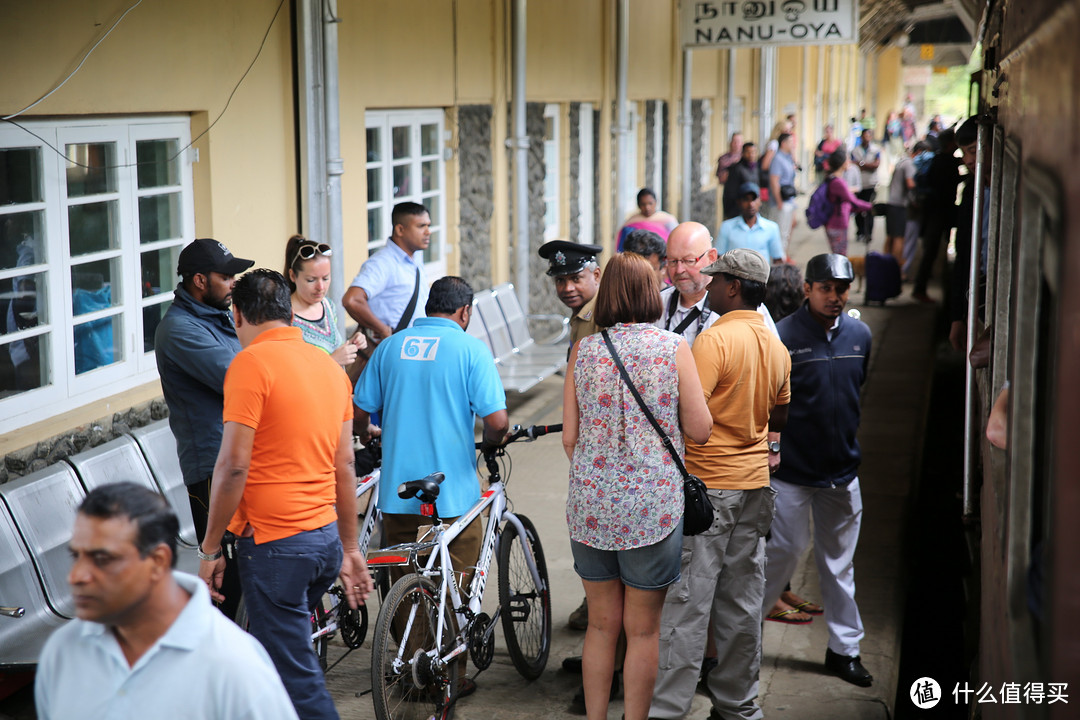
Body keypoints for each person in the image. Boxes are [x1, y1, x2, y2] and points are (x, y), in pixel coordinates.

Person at [198, 269, 371, 720]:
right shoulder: (327, 368)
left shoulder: (250, 364)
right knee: (271, 659)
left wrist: (210, 546)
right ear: (289, 314)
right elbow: (345, 466)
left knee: (295, 677)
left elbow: (233, 465)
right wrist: (350, 547)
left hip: (277, 547)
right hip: (323, 542)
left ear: (238, 315)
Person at [563, 252, 712, 720]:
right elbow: (701, 429)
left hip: (591, 507)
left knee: (601, 626)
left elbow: (570, 438)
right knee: (644, 631)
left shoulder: (584, 351)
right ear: (650, 293)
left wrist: (602, 467)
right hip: (653, 508)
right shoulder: (673, 348)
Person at [649, 248, 791, 720]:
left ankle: (668, 710)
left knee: (688, 603)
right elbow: (780, 414)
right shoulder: (776, 345)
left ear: (734, 286)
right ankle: (739, 706)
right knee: (743, 602)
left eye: (715, 280)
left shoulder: (712, 341)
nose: (706, 287)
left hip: (711, 492)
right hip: (755, 489)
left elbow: (690, 419)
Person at [353, 275, 508, 699]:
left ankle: (411, 664)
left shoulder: (389, 347)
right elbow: (497, 422)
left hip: (398, 492)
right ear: (464, 312)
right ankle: (449, 674)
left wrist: (367, 431)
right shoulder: (470, 350)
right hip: (453, 491)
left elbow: (360, 410)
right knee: (457, 580)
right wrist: (495, 442)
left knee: (401, 572)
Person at [36, 482, 298, 720]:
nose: (77, 576)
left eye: (101, 558)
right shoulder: (62, 652)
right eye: (76, 556)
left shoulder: (234, 664)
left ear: (157, 561)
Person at [762, 254, 874, 688]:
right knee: (779, 556)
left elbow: (854, 393)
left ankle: (844, 650)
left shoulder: (860, 335)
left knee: (839, 565)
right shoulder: (782, 337)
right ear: (807, 289)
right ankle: (738, 645)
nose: (834, 296)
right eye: (825, 287)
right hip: (791, 475)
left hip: (843, 475)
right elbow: (770, 404)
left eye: (841, 288)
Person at [154, 238, 253, 620]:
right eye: (226, 276)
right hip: (212, 468)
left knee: (249, 571)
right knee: (228, 584)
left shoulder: (217, 316)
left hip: (237, 458)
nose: (234, 282)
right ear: (199, 280)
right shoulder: (179, 330)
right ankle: (221, 668)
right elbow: (241, 379)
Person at [342, 201, 431, 345]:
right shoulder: (382, 263)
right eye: (421, 226)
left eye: (428, 225)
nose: (428, 231)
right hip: (394, 348)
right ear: (400, 230)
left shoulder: (415, 258)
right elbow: (352, 300)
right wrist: (383, 330)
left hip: (411, 348)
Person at [283, 234, 366, 369]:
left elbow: (332, 347)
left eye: (326, 278)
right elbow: (289, 370)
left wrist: (351, 344)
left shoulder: (327, 305)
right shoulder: (284, 318)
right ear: (293, 275)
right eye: (311, 280)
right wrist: (332, 361)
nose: (320, 287)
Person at [911, 128, 960, 303]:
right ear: (950, 143)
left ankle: (921, 287)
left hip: (934, 212)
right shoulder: (946, 162)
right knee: (931, 251)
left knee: (931, 251)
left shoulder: (938, 160)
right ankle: (920, 288)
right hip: (939, 213)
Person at [538, 240, 604, 350]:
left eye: (576, 279)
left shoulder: (605, 315)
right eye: (560, 280)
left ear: (596, 275)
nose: (568, 288)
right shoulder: (582, 313)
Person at [823, 148, 873, 257]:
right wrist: (871, 207)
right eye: (848, 159)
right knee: (840, 257)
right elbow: (853, 201)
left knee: (839, 256)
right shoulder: (838, 182)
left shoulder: (833, 179)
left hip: (836, 222)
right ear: (842, 163)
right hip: (837, 224)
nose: (849, 162)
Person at [718, 182, 784, 264]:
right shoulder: (727, 227)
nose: (751, 204)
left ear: (760, 201)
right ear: (739, 202)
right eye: (746, 199)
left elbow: (778, 259)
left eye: (754, 199)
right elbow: (719, 257)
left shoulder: (771, 228)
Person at [766, 132, 798, 257]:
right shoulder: (778, 159)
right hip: (781, 202)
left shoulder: (787, 157)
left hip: (789, 200)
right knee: (780, 233)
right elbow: (774, 182)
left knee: (786, 232)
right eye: (790, 142)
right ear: (783, 143)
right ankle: (778, 259)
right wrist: (779, 201)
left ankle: (783, 257)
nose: (793, 144)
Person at [884, 143, 918, 260]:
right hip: (900, 205)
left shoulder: (901, 161)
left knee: (890, 236)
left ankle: (885, 265)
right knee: (899, 237)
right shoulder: (909, 164)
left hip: (892, 203)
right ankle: (895, 268)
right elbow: (910, 183)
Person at [850, 129, 882, 244]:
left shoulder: (876, 150)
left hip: (870, 184)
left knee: (869, 209)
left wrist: (862, 164)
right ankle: (860, 232)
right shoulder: (855, 151)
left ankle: (868, 233)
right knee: (858, 210)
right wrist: (866, 165)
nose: (866, 138)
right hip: (858, 185)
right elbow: (853, 164)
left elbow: (876, 165)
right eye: (864, 136)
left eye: (869, 135)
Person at [722, 142, 759, 220]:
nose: (751, 155)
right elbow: (731, 193)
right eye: (748, 152)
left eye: (753, 152)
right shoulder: (736, 169)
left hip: (750, 210)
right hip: (737, 212)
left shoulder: (754, 168)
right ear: (743, 153)